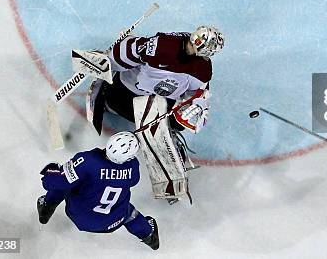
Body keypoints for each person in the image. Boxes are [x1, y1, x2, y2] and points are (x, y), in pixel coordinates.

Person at [85, 25, 224, 203]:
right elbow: (133, 50)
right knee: (115, 102)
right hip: (126, 91)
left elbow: (198, 93)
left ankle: (165, 134)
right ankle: (107, 99)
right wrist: (107, 63)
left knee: (177, 123)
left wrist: (198, 104)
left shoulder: (203, 69)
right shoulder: (164, 45)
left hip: (157, 102)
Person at [37, 132, 159, 250]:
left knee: (66, 184)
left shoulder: (88, 161)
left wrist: (50, 172)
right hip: (113, 221)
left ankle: (46, 207)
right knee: (130, 213)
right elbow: (134, 181)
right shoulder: (133, 167)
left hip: (78, 215)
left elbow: (56, 181)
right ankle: (150, 236)